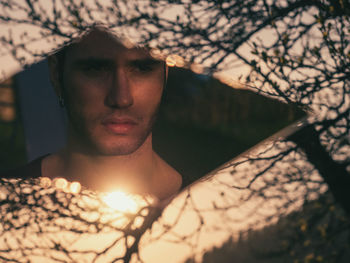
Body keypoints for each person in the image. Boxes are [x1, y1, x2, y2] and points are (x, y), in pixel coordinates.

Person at [3, 27, 182, 201]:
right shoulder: (7, 201)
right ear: (56, 74)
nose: (121, 98)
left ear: (165, 73)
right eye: (95, 69)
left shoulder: (204, 209)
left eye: (142, 69)